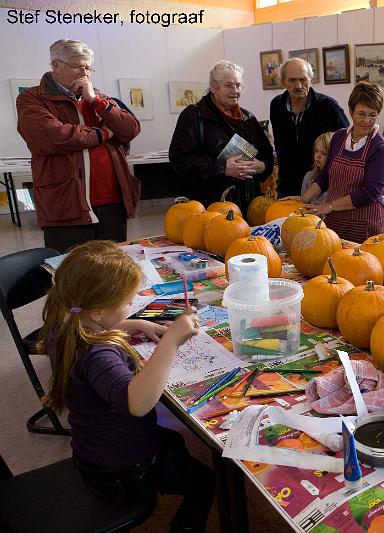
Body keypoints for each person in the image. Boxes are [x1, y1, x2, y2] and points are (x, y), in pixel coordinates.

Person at [39, 240, 214, 532]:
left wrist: (133, 325)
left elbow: (93, 330)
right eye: (129, 302)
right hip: (121, 472)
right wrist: (170, 342)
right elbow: (138, 402)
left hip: (92, 455)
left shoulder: (66, 322)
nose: (132, 306)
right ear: (97, 312)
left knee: (175, 442)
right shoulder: (98, 354)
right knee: (205, 481)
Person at [16, 39, 142, 253]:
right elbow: (52, 136)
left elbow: (131, 128)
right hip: (66, 205)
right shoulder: (32, 98)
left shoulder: (97, 97)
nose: (84, 74)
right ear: (56, 65)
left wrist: (95, 100)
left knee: (111, 272)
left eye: (88, 67)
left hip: (112, 203)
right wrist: (104, 133)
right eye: (77, 66)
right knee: (72, 273)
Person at [283, 82, 384, 243]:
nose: (366, 121)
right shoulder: (339, 138)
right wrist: (304, 199)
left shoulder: (380, 148)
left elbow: (370, 192)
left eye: (372, 115)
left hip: (363, 228)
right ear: (350, 110)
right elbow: (325, 175)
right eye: (361, 114)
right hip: (334, 224)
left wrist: (329, 206)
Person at [169, 60, 274, 214]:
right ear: (213, 87)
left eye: (238, 85)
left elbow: (268, 155)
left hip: (248, 207)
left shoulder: (248, 118)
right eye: (229, 85)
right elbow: (179, 159)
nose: (235, 90)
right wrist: (222, 168)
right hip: (209, 208)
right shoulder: (194, 116)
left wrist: (262, 166)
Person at [270, 58, 349, 198]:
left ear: (310, 79)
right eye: (292, 80)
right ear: (283, 82)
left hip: (320, 189)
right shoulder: (277, 105)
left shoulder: (328, 107)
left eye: (303, 79)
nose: (298, 85)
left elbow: (348, 143)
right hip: (287, 187)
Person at [300, 131, 384, 231]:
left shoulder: (380, 147)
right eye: (316, 151)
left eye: (323, 153)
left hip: (362, 226)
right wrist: (300, 201)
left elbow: (375, 195)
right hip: (328, 226)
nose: (318, 156)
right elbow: (323, 179)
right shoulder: (310, 177)